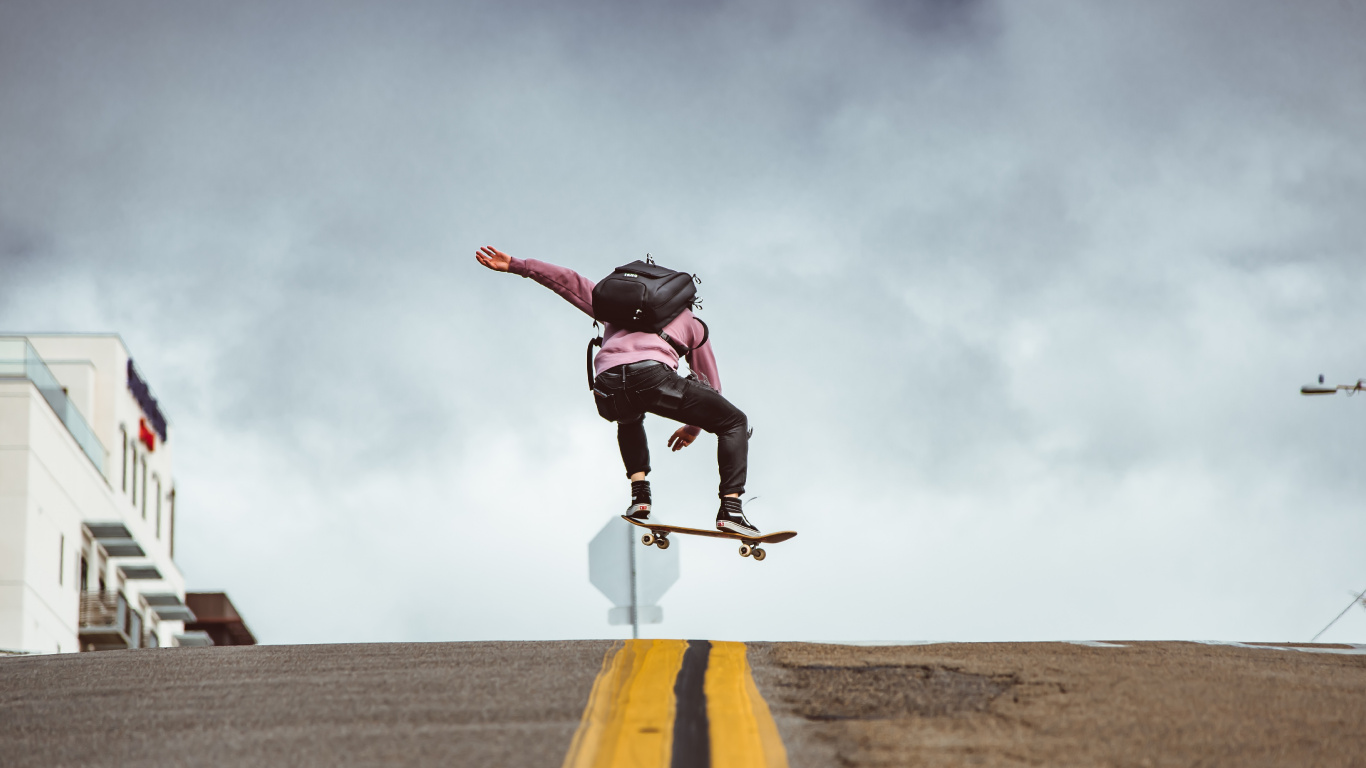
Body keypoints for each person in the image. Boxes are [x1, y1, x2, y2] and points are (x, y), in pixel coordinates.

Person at [475, 245, 761, 535]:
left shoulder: (615, 308)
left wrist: (518, 264)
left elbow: (567, 281)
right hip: (652, 378)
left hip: (607, 388)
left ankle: (640, 498)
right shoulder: (693, 324)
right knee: (734, 421)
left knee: (629, 414)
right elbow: (711, 386)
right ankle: (731, 510)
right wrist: (693, 427)